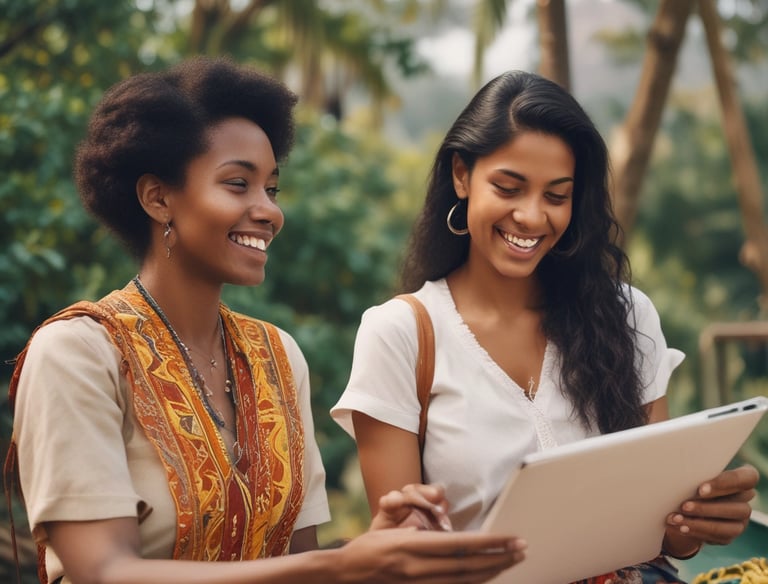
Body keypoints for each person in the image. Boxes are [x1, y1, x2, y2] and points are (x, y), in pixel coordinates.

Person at [5, 56, 528, 584]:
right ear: (157, 197)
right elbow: (104, 572)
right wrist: (343, 562)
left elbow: (301, 565)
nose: (270, 210)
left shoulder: (276, 356)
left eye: (271, 189)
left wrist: (374, 547)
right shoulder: (78, 354)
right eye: (238, 184)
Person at [331, 70, 760, 583]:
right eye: (509, 188)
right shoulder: (400, 334)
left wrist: (702, 519)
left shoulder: (626, 315)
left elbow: (665, 535)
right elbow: (399, 554)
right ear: (462, 176)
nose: (532, 217)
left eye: (557, 196)